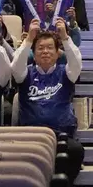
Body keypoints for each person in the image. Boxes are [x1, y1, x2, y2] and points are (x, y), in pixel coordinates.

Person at [11, 18, 84, 183]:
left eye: (50, 48)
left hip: (61, 136)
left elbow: (76, 63)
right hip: (30, 136)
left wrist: (65, 37)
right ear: (34, 54)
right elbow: (15, 66)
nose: (45, 51)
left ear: (58, 53)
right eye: (40, 48)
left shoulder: (66, 72)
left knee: (76, 150)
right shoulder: (25, 73)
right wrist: (29, 39)